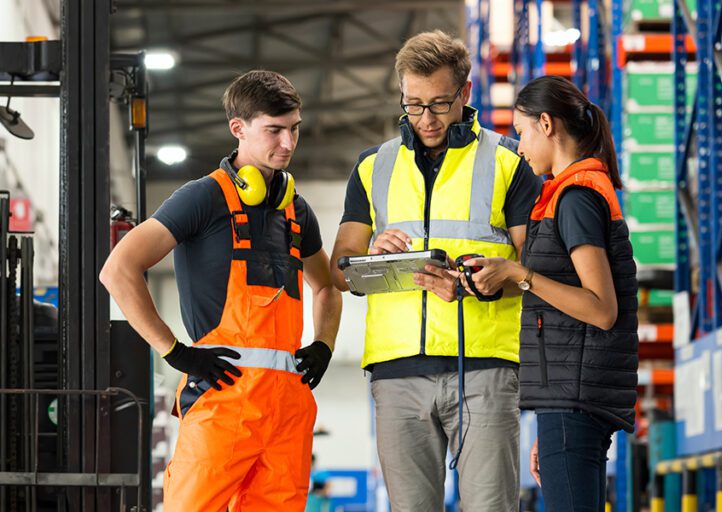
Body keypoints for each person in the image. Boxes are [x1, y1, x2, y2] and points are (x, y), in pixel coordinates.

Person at [100, 70, 342, 512]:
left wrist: (324, 344)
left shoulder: (297, 211)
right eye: (274, 130)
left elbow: (326, 286)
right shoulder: (203, 198)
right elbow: (118, 269)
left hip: (287, 409)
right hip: (223, 398)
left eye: (295, 129)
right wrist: (175, 351)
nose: (288, 143)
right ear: (239, 129)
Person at [330, 30, 540, 511]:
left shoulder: (509, 162)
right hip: (397, 372)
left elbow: (532, 269)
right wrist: (372, 255)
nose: (426, 119)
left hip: (485, 369)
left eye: (440, 105)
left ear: (465, 94)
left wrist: (480, 283)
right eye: (413, 105)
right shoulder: (373, 166)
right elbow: (341, 268)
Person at [454, 75, 639, 511]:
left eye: (522, 133)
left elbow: (601, 309)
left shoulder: (575, 199)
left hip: (575, 399)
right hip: (570, 399)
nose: (520, 147)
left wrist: (521, 274)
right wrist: (548, 423)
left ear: (546, 124)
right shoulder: (569, 194)